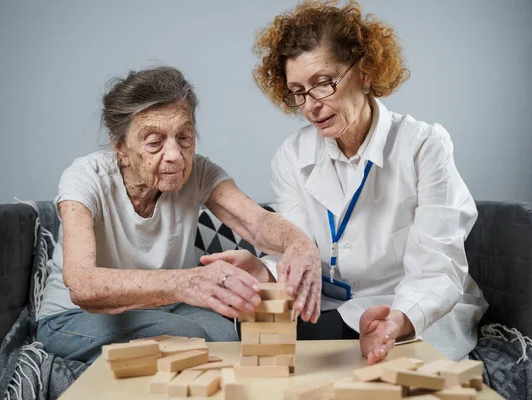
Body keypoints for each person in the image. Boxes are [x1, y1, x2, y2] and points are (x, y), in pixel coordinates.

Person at [249, 0, 488, 363]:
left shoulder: (423, 146)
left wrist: (398, 320)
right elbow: (296, 252)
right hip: (335, 306)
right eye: (298, 91)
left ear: (364, 72)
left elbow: (438, 266)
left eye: (323, 83)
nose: (310, 105)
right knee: (271, 348)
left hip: (409, 305)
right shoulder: (291, 157)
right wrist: (260, 271)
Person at [36, 66, 321, 364]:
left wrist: (299, 244)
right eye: (154, 142)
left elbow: (258, 222)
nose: (174, 154)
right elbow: (83, 285)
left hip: (167, 307)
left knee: (227, 338)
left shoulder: (198, 172)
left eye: (184, 137)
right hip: (71, 316)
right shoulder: (85, 177)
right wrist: (187, 282)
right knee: (182, 336)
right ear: (120, 146)